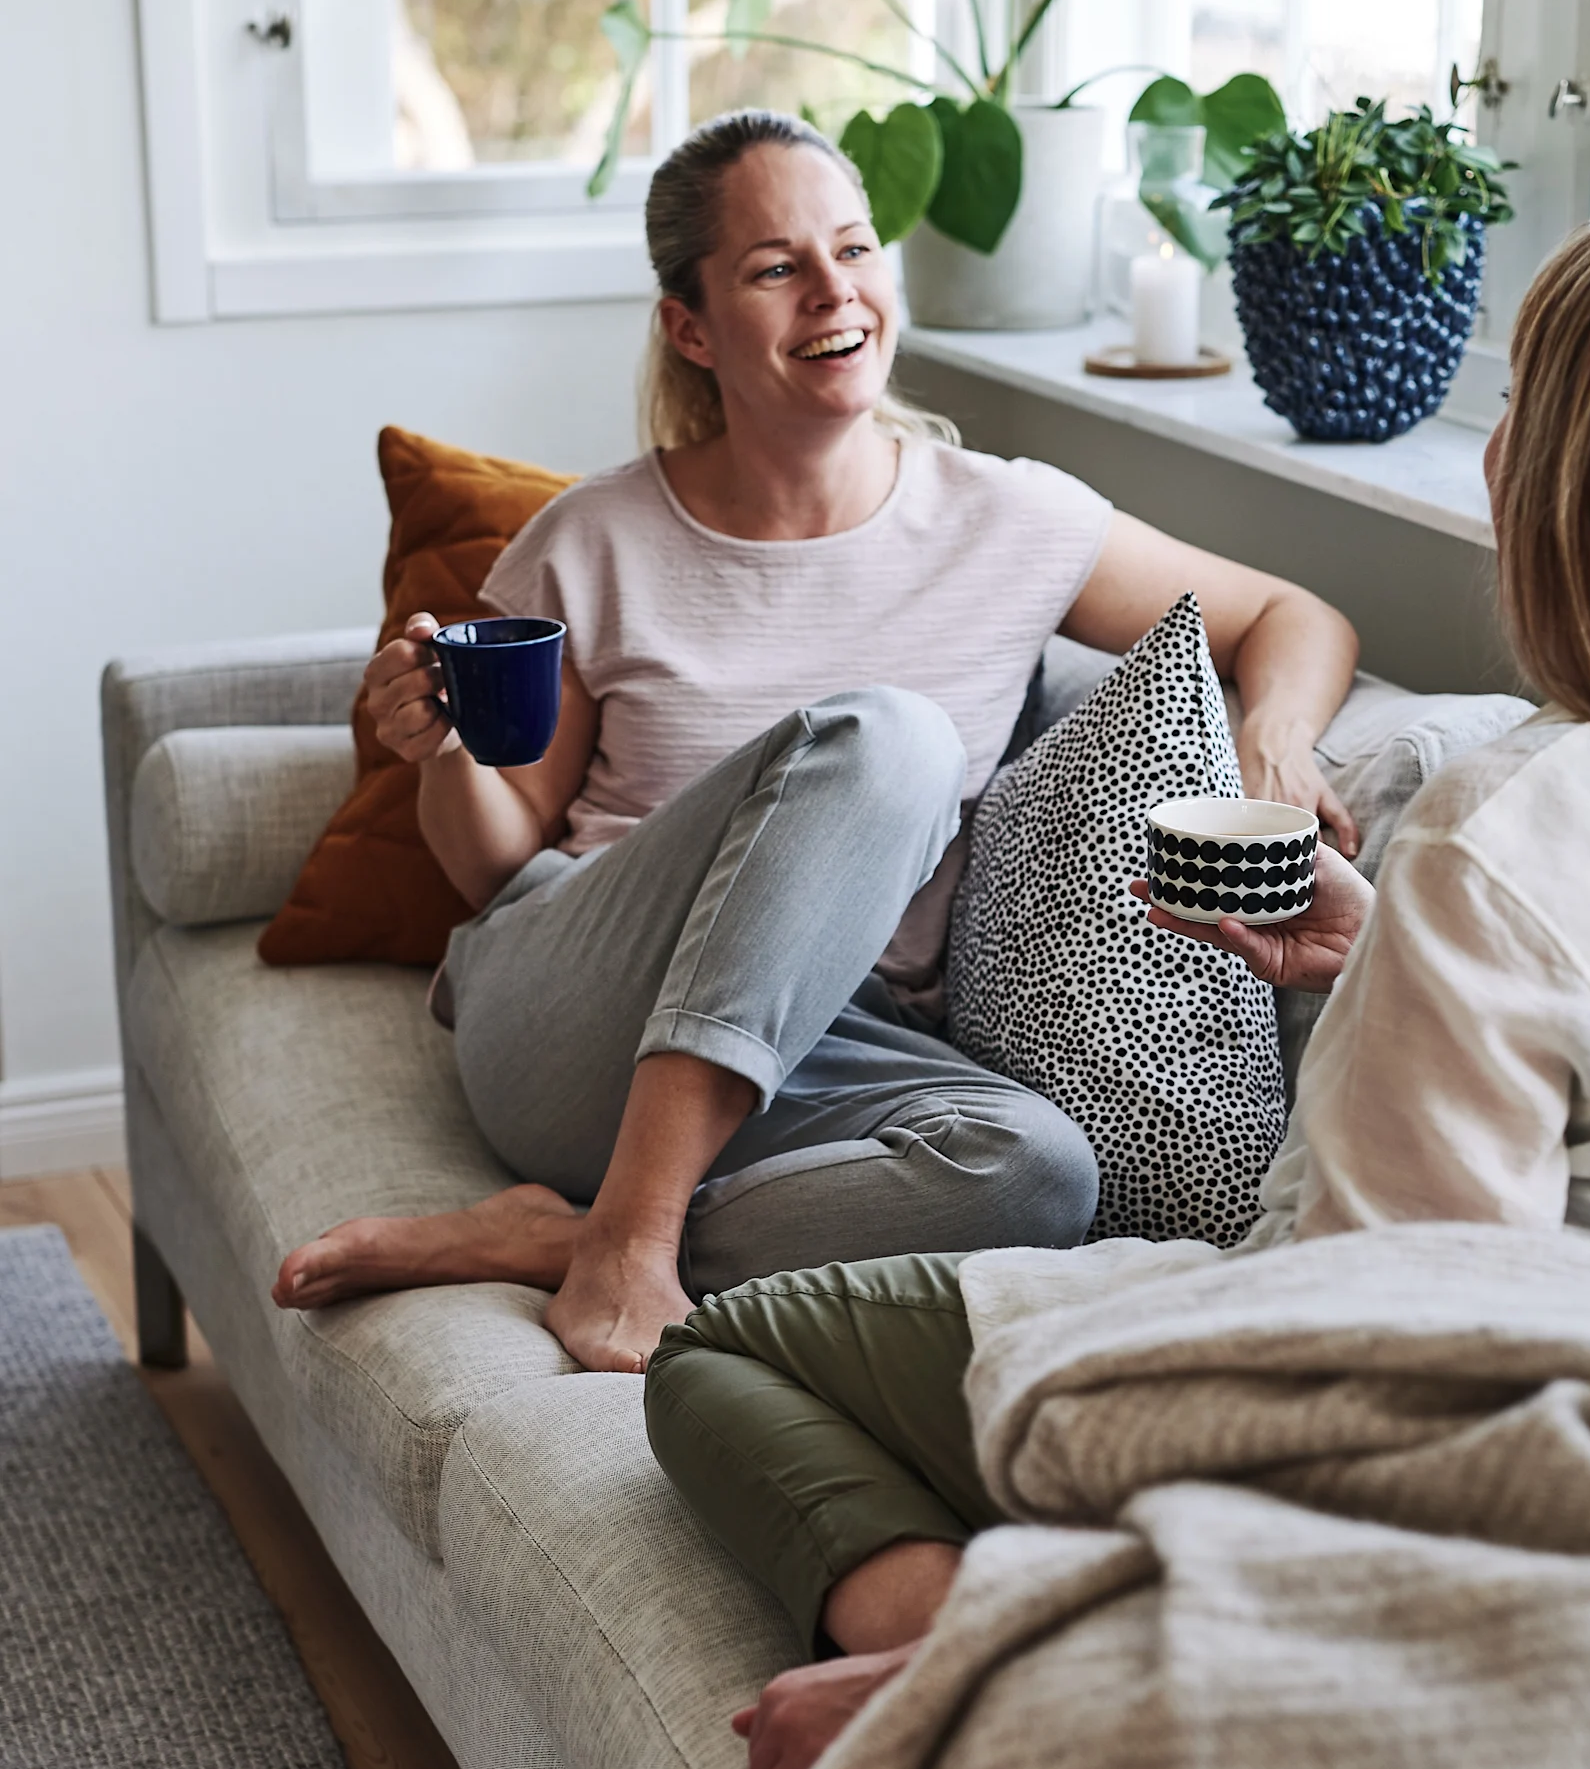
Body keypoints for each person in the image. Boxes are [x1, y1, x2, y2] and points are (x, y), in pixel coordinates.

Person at [643, 211, 1590, 1769]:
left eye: (1520, 397)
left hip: (1524, 1457)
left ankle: (987, 1658)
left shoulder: (1509, 827)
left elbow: (1394, 1374)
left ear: (1563, 472)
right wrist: (1392, 956)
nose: (1499, 439)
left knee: (721, 1361)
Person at [271, 108, 1360, 1369]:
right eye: (776, 268)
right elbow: (495, 872)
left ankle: (568, 1236)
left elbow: (1294, 614)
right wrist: (445, 756)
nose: (834, 292)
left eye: (855, 249)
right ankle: (626, 1241)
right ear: (692, 326)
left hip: (833, 1042)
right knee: (892, 740)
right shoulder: (591, 542)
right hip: (577, 1020)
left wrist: (1273, 741)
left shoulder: (1010, 519)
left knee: (1040, 1173)